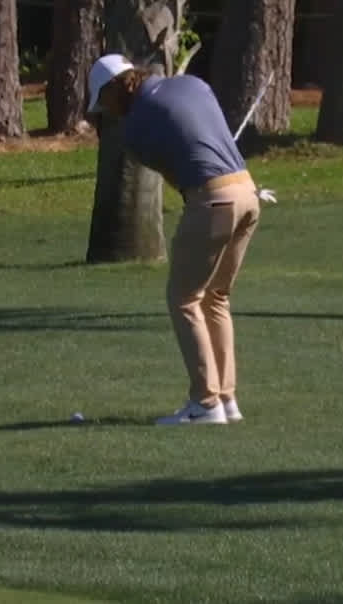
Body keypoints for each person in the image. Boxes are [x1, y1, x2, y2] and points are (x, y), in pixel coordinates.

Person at [86, 52, 271, 426]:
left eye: (104, 102)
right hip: (248, 194)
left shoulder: (134, 131)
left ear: (114, 90)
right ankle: (227, 400)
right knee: (216, 297)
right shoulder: (192, 83)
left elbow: (179, 180)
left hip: (213, 201)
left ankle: (205, 403)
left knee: (184, 298)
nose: (107, 112)